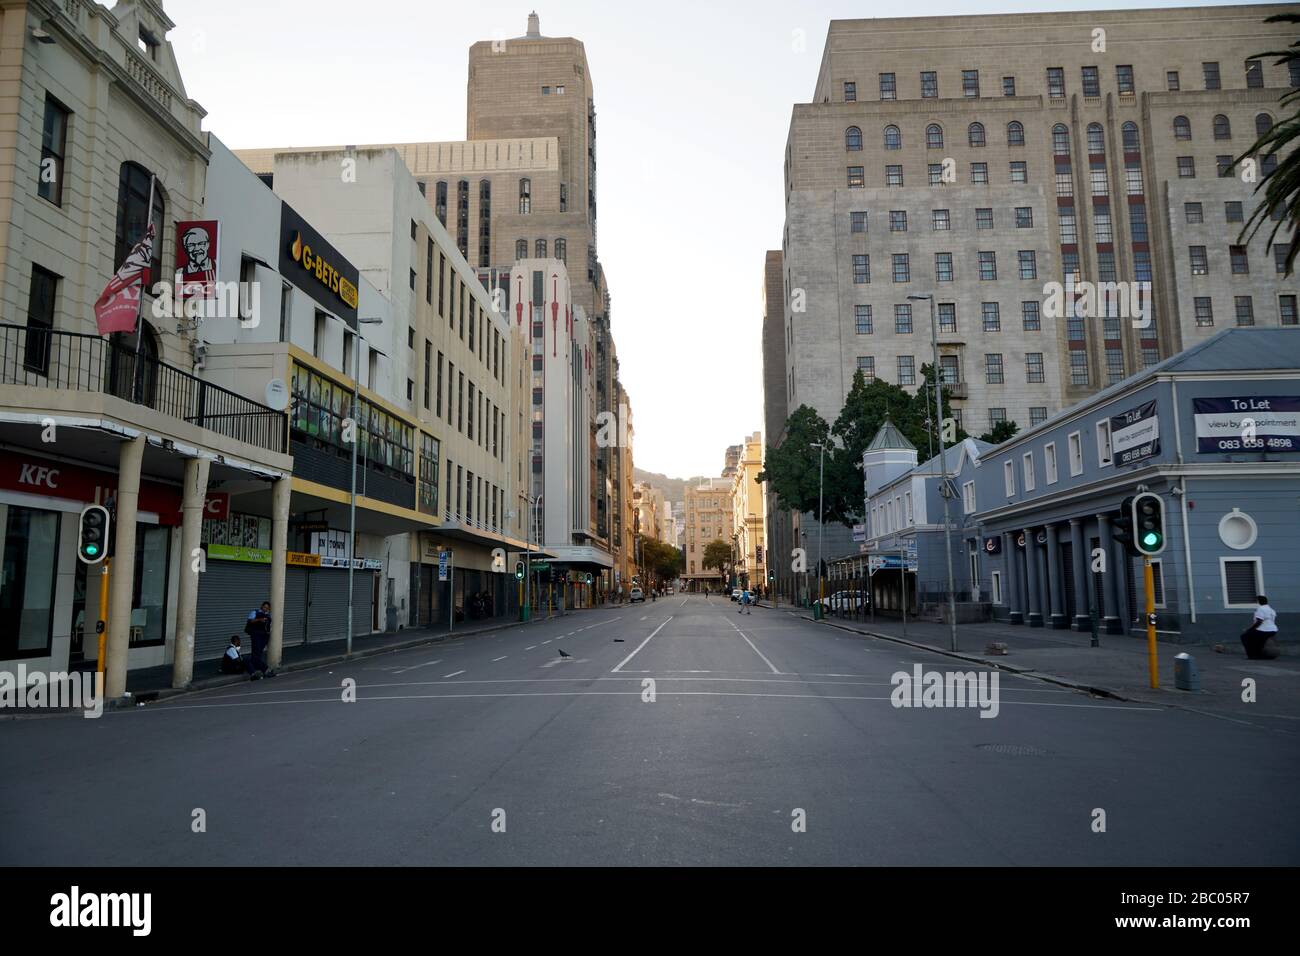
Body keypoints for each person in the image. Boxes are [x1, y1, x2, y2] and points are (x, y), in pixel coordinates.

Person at [1242, 595, 1280, 660]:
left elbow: (1259, 621)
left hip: (1263, 630)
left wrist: (1249, 629)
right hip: (1273, 630)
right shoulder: (1271, 610)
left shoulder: (1261, 609)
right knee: (1259, 641)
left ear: (1258, 602)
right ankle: (1261, 654)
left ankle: (1251, 655)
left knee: (1244, 637)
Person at [245, 601, 275, 679]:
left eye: (267, 608)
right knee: (256, 653)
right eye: (265, 607)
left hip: (264, 636)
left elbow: (269, 626)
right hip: (256, 635)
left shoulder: (268, 616)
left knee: (258, 653)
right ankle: (265, 670)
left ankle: (253, 668)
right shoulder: (255, 612)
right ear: (261, 606)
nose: (266, 609)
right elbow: (250, 620)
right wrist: (259, 620)